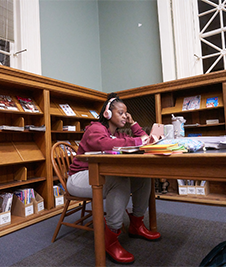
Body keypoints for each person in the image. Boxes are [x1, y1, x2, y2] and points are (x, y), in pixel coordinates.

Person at [67, 92, 161, 264]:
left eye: (126, 113)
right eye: (121, 113)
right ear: (107, 114)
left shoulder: (117, 134)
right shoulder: (95, 129)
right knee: (119, 180)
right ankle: (110, 238)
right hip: (79, 178)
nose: (125, 116)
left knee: (142, 176)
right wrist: (138, 141)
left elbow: (141, 139)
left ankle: (136, 224)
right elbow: (104, 144)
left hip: (98, 176)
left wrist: (133, 124)